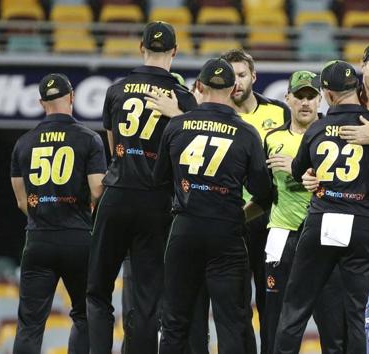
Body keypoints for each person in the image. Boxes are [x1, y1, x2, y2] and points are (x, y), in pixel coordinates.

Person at [86, 21, 197, 354]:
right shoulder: (182, 97)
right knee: (148, 299)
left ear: (141, 48)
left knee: (96, 291)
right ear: (174, 52)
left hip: (118, 194)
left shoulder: (116, 90)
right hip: (156, 201)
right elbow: (187, 152)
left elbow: (113, 147)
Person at [273, 60, 369, 354]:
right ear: (357, 87)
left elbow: (302, 169)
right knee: (358, 314)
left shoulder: (316, 128)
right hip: (363, 222)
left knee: (295, 307)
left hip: (322, 219)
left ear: (326, 94)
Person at [154, 58, 272, 354]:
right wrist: (240, 217)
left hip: (185, 229)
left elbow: (160, 181)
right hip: (227, 231)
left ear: (200, 87)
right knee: (231, 321)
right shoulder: (246, 133)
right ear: (234, 89)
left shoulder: (177, 125)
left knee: (174, 321)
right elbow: (264, 194)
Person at [245, 70, 346, 354]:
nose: (305, 103)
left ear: (320, 100)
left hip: (326, 236)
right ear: (287, 98)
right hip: (283, 236)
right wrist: (238, 219)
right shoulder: (271, 139)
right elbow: (265, 196)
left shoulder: (334, 136)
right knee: (275, 324)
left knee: (333, 328)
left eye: (311, 96)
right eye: (299, 96)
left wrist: (297, 168)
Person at [10, 73, 106, 353]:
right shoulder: (89, 139)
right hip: (77, 237)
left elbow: (21, 200)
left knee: (30, 323)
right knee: (85, 316)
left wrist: (45, 211)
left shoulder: (24, 143)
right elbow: (98, 190)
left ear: (42, 103)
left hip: (38, 239)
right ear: (72, 97)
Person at [220, 48, 291, 354]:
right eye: (230, 75)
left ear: (253, 76)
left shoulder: (278, 111)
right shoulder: (216, 115)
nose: (236, 82)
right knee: (236, 306)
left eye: (241, 75)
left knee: (271, 302)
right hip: (231, 220)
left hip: (270, 220)